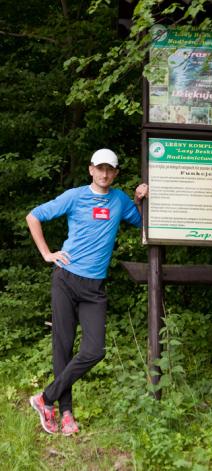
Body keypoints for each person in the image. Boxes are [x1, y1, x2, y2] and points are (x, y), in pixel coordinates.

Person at [26, 148, 148, 435]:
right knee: (63, 347)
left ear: (116, 173)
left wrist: (141, 200)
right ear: (91, 169)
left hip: (94, 288)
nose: (105, 174)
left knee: (94, 350)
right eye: (100, 168)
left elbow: (144, 223)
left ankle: (45, 399)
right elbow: (34, 216)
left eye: (110, 169)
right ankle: (65, 414)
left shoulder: (119, 200)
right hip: (66, 280)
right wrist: (47, 253)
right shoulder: (74, 196)